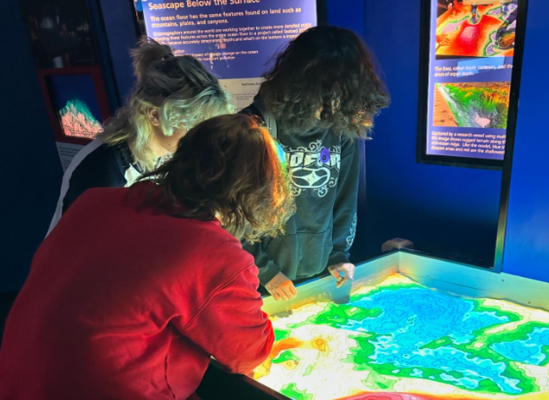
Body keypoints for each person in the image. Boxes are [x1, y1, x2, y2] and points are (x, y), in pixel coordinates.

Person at [0, 114, 294, 400]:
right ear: (253, 194)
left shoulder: (95, 199)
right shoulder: (214, 254)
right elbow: (248, 354)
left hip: (18, 376)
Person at [242, 26, 390, 301]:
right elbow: (232, 214)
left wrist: (339, 255)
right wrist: (265, 272)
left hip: (319, 273)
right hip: (258, 280)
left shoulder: (341, 129)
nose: (334, 101)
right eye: (328, 90)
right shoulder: (252, 128)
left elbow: (345, 200)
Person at [47, 37, 234, 234]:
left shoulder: (166, 153)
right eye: (196, 128)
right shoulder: (105, 171)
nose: (204, 140)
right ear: (154, 115)